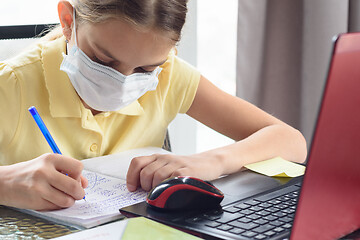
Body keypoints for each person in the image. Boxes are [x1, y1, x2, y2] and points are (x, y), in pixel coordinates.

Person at [0, 0, 307, 211]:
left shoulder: (170, 75)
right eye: (103, 60)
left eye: (146, 70)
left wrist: (211, 162)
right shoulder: (11, 85)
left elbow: (291, 141)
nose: (121, 82)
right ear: (68, 21)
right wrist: (6, 183)